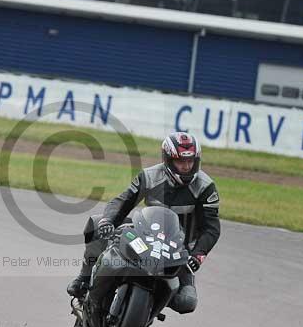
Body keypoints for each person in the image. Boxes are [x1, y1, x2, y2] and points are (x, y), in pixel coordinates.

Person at [67, 132, 221, 314]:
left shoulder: (205, 187)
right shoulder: (149, 176)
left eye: (191, 161)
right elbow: (123, 201)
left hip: (180, 251)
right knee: (97, 223)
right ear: (168, 159)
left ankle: (149, 307)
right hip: (145, 237)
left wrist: (198, 255)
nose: (186, 167)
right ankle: (84, 278)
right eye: (181, 161)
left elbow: (211, 228)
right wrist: (109, 221)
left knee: (186, 302)